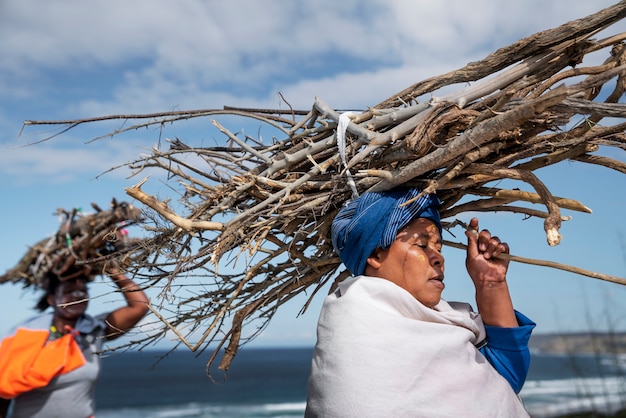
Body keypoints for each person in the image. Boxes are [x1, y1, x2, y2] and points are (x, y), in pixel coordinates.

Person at [305, 187, 536, 417]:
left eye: (438, 247)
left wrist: (490, 282)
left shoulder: (446, 323)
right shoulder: (353, 324)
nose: (439, 258)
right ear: (375, 255)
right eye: (422, 245)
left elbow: (506, 376)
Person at [0, 263, 149, 418]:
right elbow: (3, 390)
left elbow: (139, 306)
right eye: (68, 291)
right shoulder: (28, 334)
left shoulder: (94, 330)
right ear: (51, 299)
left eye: (82, 291)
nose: (77, 296)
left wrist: (111, 269)